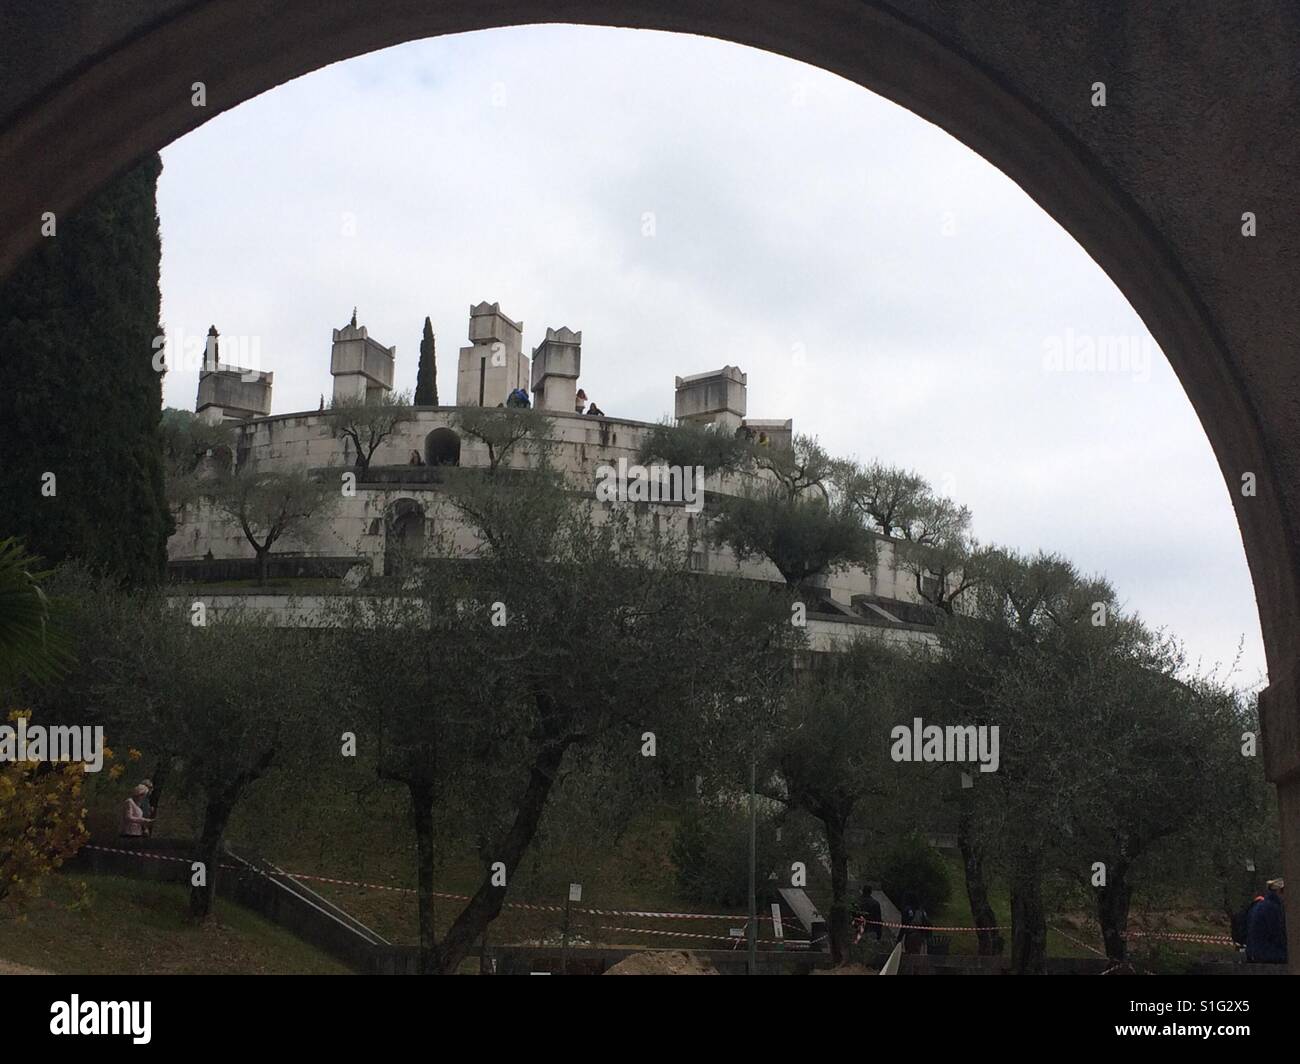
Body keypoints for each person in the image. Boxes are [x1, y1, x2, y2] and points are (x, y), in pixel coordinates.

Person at [1245, 877, 1287, 964]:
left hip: (1255, 952)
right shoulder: (1272, 908)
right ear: (1280, 892)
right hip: (1268, 953)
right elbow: (1279, 934)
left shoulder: (1261, 905)